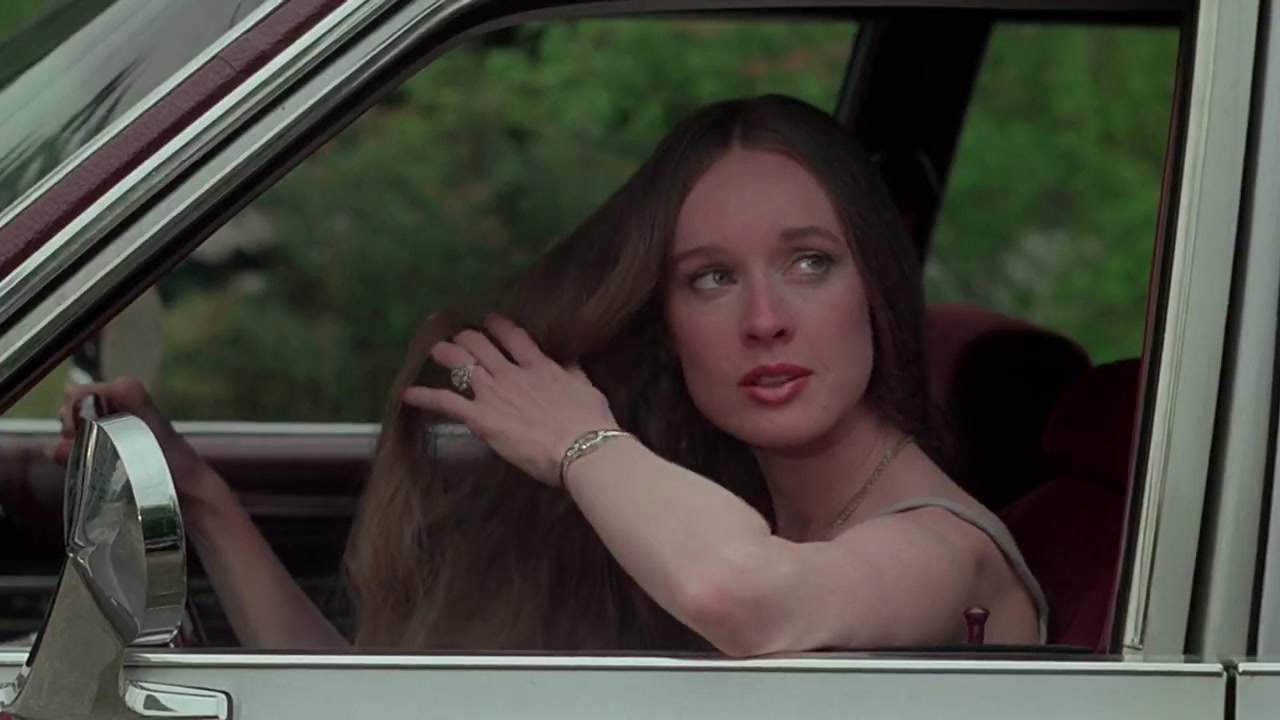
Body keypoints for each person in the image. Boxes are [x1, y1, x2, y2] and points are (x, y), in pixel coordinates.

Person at [54, 94, 1047, 656]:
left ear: (874, 284)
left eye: (809, 263)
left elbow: (742, 594)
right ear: (667, 326)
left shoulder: (945, 550)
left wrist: (579, 441)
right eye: (709, 278)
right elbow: (359, 702)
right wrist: (204, 500)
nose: (762, 320)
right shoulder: (734, 515)